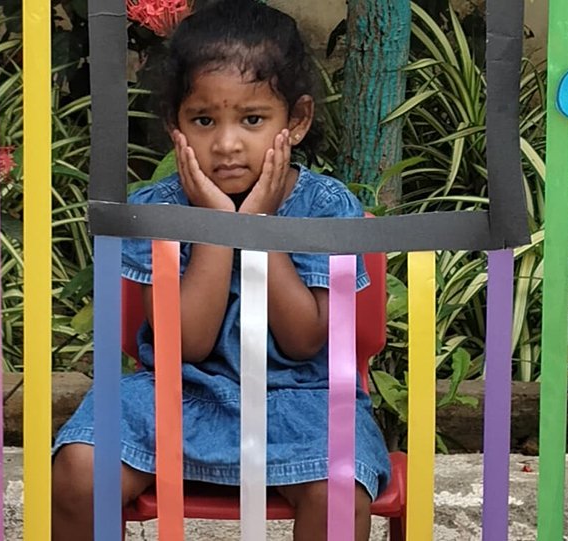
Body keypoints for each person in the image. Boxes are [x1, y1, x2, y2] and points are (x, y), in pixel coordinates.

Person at [50, 2, 392, 540]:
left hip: (304, 400)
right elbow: (184, 344)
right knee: (79, 470)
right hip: (176, 393)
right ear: (175, 125)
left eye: (252, 120)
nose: (226, 144)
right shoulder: (159, 210)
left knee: (339, 491)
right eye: (204, 120)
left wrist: (255, 229)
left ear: (296, 121)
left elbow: (304, 340)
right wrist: (214, 225)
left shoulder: (326, 209)